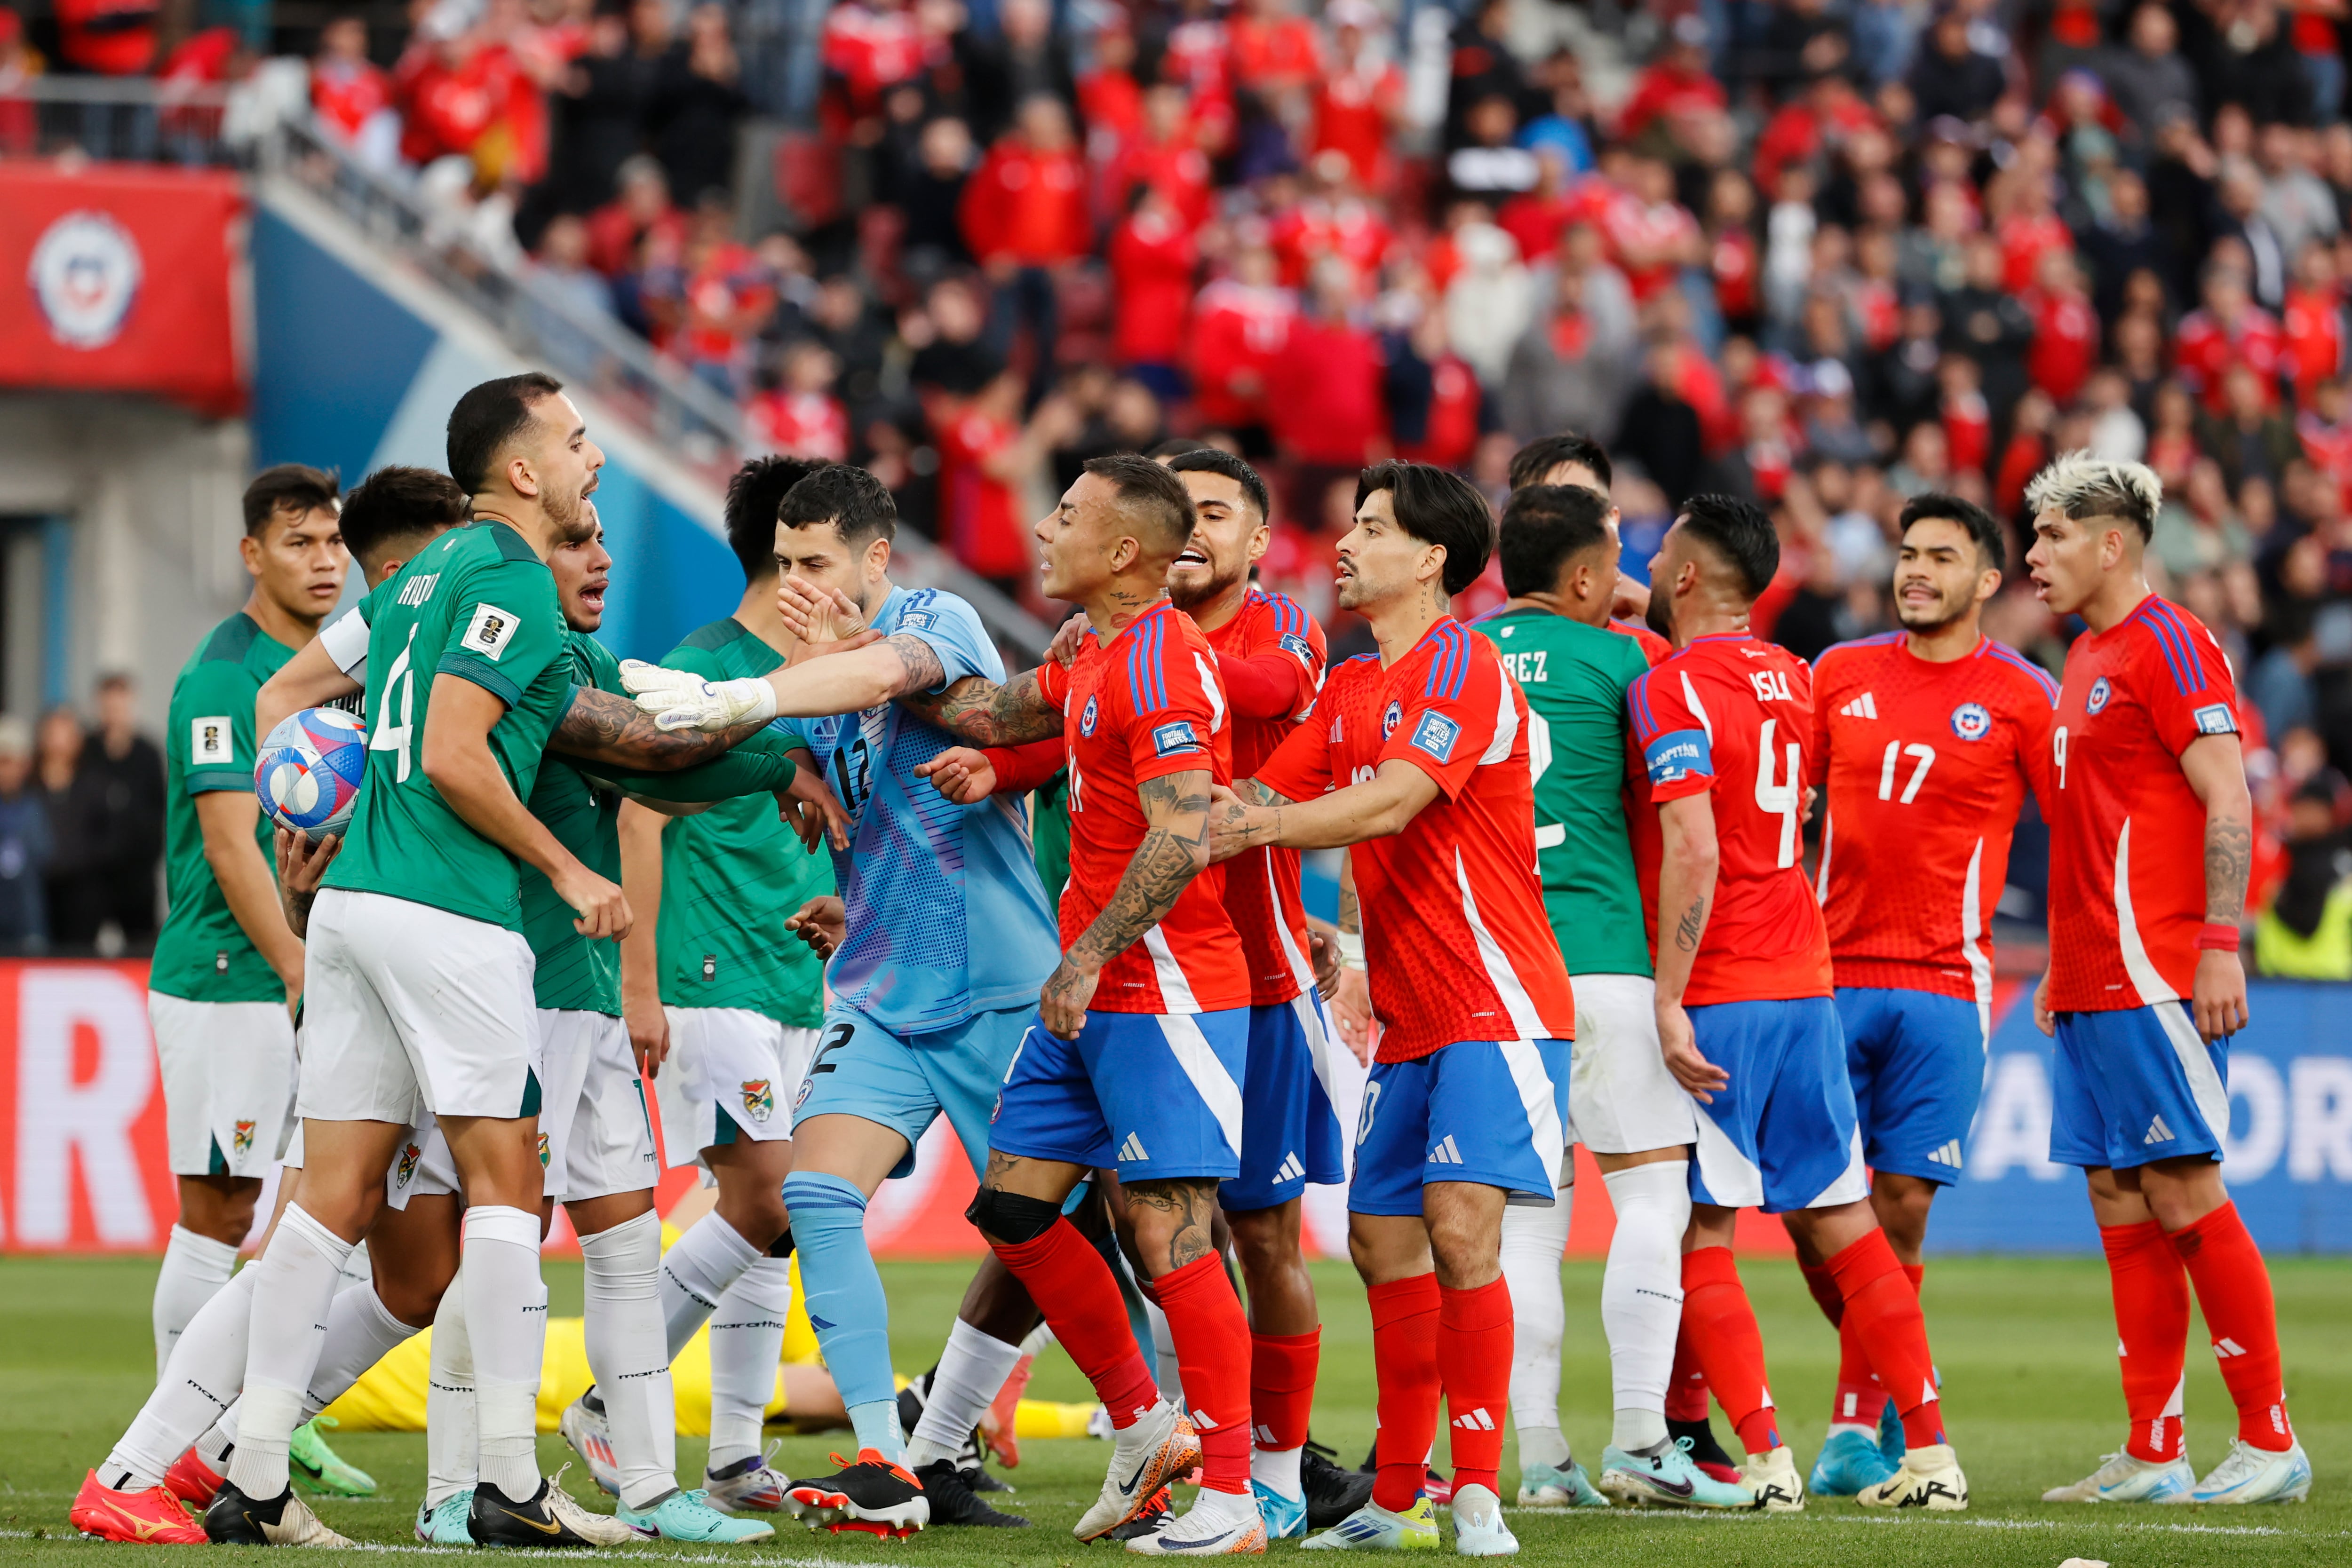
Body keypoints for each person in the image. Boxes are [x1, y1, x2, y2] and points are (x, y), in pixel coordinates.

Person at [692, 455, 1257, 1555]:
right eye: (785, 563)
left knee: (1168, 1230)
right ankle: (922, 1452)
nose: (1041, 530)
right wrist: (799, 754)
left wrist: (1085, 948)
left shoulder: (1116, 651)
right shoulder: (1091, 649)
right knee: (998, 1213)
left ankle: (1243, 1479)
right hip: (941, 986)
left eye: (1067, 515)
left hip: (1116, 978)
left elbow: (1185, 825)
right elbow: (989, 715)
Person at [204, 376, 626, 1548]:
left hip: (351, 909)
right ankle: (505, 1481)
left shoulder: (417, 576)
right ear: (526, 473)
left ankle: (250, 1479)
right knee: (506, 1184)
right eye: (578, 441)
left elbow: (296, 697)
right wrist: (568, 868)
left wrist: (321, 799)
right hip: (449, 911)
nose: (595, 457)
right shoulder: (505, 575)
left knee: (328, 1197)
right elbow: (451, 751)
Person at [624, 461, 1063, 1534]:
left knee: (1062, 1230)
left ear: (875, 557)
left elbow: (883, 676)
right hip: (874, 989)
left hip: (995, 986)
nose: (795, 585)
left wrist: (756, 692)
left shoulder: (936, 618)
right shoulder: (813, 684)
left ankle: (1176, 1426)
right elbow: (689, 776)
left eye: (815, 562)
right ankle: (886, 1459)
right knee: (810, 1199)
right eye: (782, 565)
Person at [1208, 460, 1577, 1557]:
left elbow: (1393, 801)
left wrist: (1261, 831)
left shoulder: (1465, 660)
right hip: (1411, 1015)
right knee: (1380, 1244)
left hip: (1497, 999)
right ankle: (1396, 1493)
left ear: (1431, 558)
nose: (1345, 542)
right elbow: (1263, 795)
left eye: (1370, 526)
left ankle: (1477, 1493)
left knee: (1464, 1231)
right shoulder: (1352, 686)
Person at [1629, 493, 1967, 1514]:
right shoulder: (1793, 678)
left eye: (1660, 551)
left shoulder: (1669, 685)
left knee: (1702, 1229)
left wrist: (1671, 997)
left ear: (1685, 577)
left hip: (1724, 985)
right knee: (1844, 1221)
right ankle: (1935, 1454)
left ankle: (1767, 1458)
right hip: (1806, 979)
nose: (1648, 562)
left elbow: (1694, 844)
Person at [2022, 454, 2310, 1506]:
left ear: (2111, 540)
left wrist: (2221, 938)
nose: (2033, 554)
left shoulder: (2169, 641)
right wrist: (2060, 961)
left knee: (2184, 1186)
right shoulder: (2085, 655)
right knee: (2117, 1194)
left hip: (2156, 967)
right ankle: (2152, 1449)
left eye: (2051, 535)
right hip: (2094, 974)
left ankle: (2271, 1438)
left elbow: (2227, 790)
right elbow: (2085, 829)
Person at [1469, 485, 1747, 1513]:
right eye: (1615, 557)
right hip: (1600, 956)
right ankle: (1640, 1438)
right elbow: (1687, 831)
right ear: (1587, 578)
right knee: (1649, 1195)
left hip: (1497, 973)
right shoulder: (1632, 662)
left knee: (1530, 1225)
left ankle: (1540, 1458)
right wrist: (1672, 991)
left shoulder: (1461, 656)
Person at [1799, 493, 2057, 1497]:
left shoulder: (2024, 694)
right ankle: (1909, 1386)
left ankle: (1854, 1427)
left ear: (1986, 581)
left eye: (1940, 557)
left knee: (1898, 1208)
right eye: (1908, 554)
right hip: (1822, 976)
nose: (1915, 570)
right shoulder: (1839, 673)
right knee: (1817, 1213)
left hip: (1947, 985)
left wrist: (2074, 959)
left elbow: (2074, 833)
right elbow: (1789, 808)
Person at [603, 454, 836, 1514]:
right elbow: (640, 812)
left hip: (795, 977)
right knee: (768, 1195)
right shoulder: (702, 667)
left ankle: (736, 1457)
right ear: (783, 551)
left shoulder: (822, 674)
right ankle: (613, 1403)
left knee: (773, 1221)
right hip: (708, 971)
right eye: (822, 552)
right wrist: (639, 983)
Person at [145, 466, 347, 1388]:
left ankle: (267, 1421)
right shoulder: (227, 675)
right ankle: (173, 1429)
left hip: (312, 969)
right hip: (232, 971)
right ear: (252, 554)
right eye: (300, 542)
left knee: (318, 1207)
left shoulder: (335, 669)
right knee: (221, 1212)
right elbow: (232, 845)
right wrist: (296, 963)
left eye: (334, 540)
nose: (324, 560)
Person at [79, 673, 166, 946]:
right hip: (94, 874)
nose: (114, 714)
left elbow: (158, 808)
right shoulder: (86, 750)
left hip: (137, 874)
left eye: (120, 706)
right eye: (109, 707)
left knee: (141, 944)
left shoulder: (148, 753)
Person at [0, 715, 49, 951]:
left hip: (27, 926)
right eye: (3, 762)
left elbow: (46, 856)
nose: (8, 771)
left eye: (13, 762)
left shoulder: (34, 808)